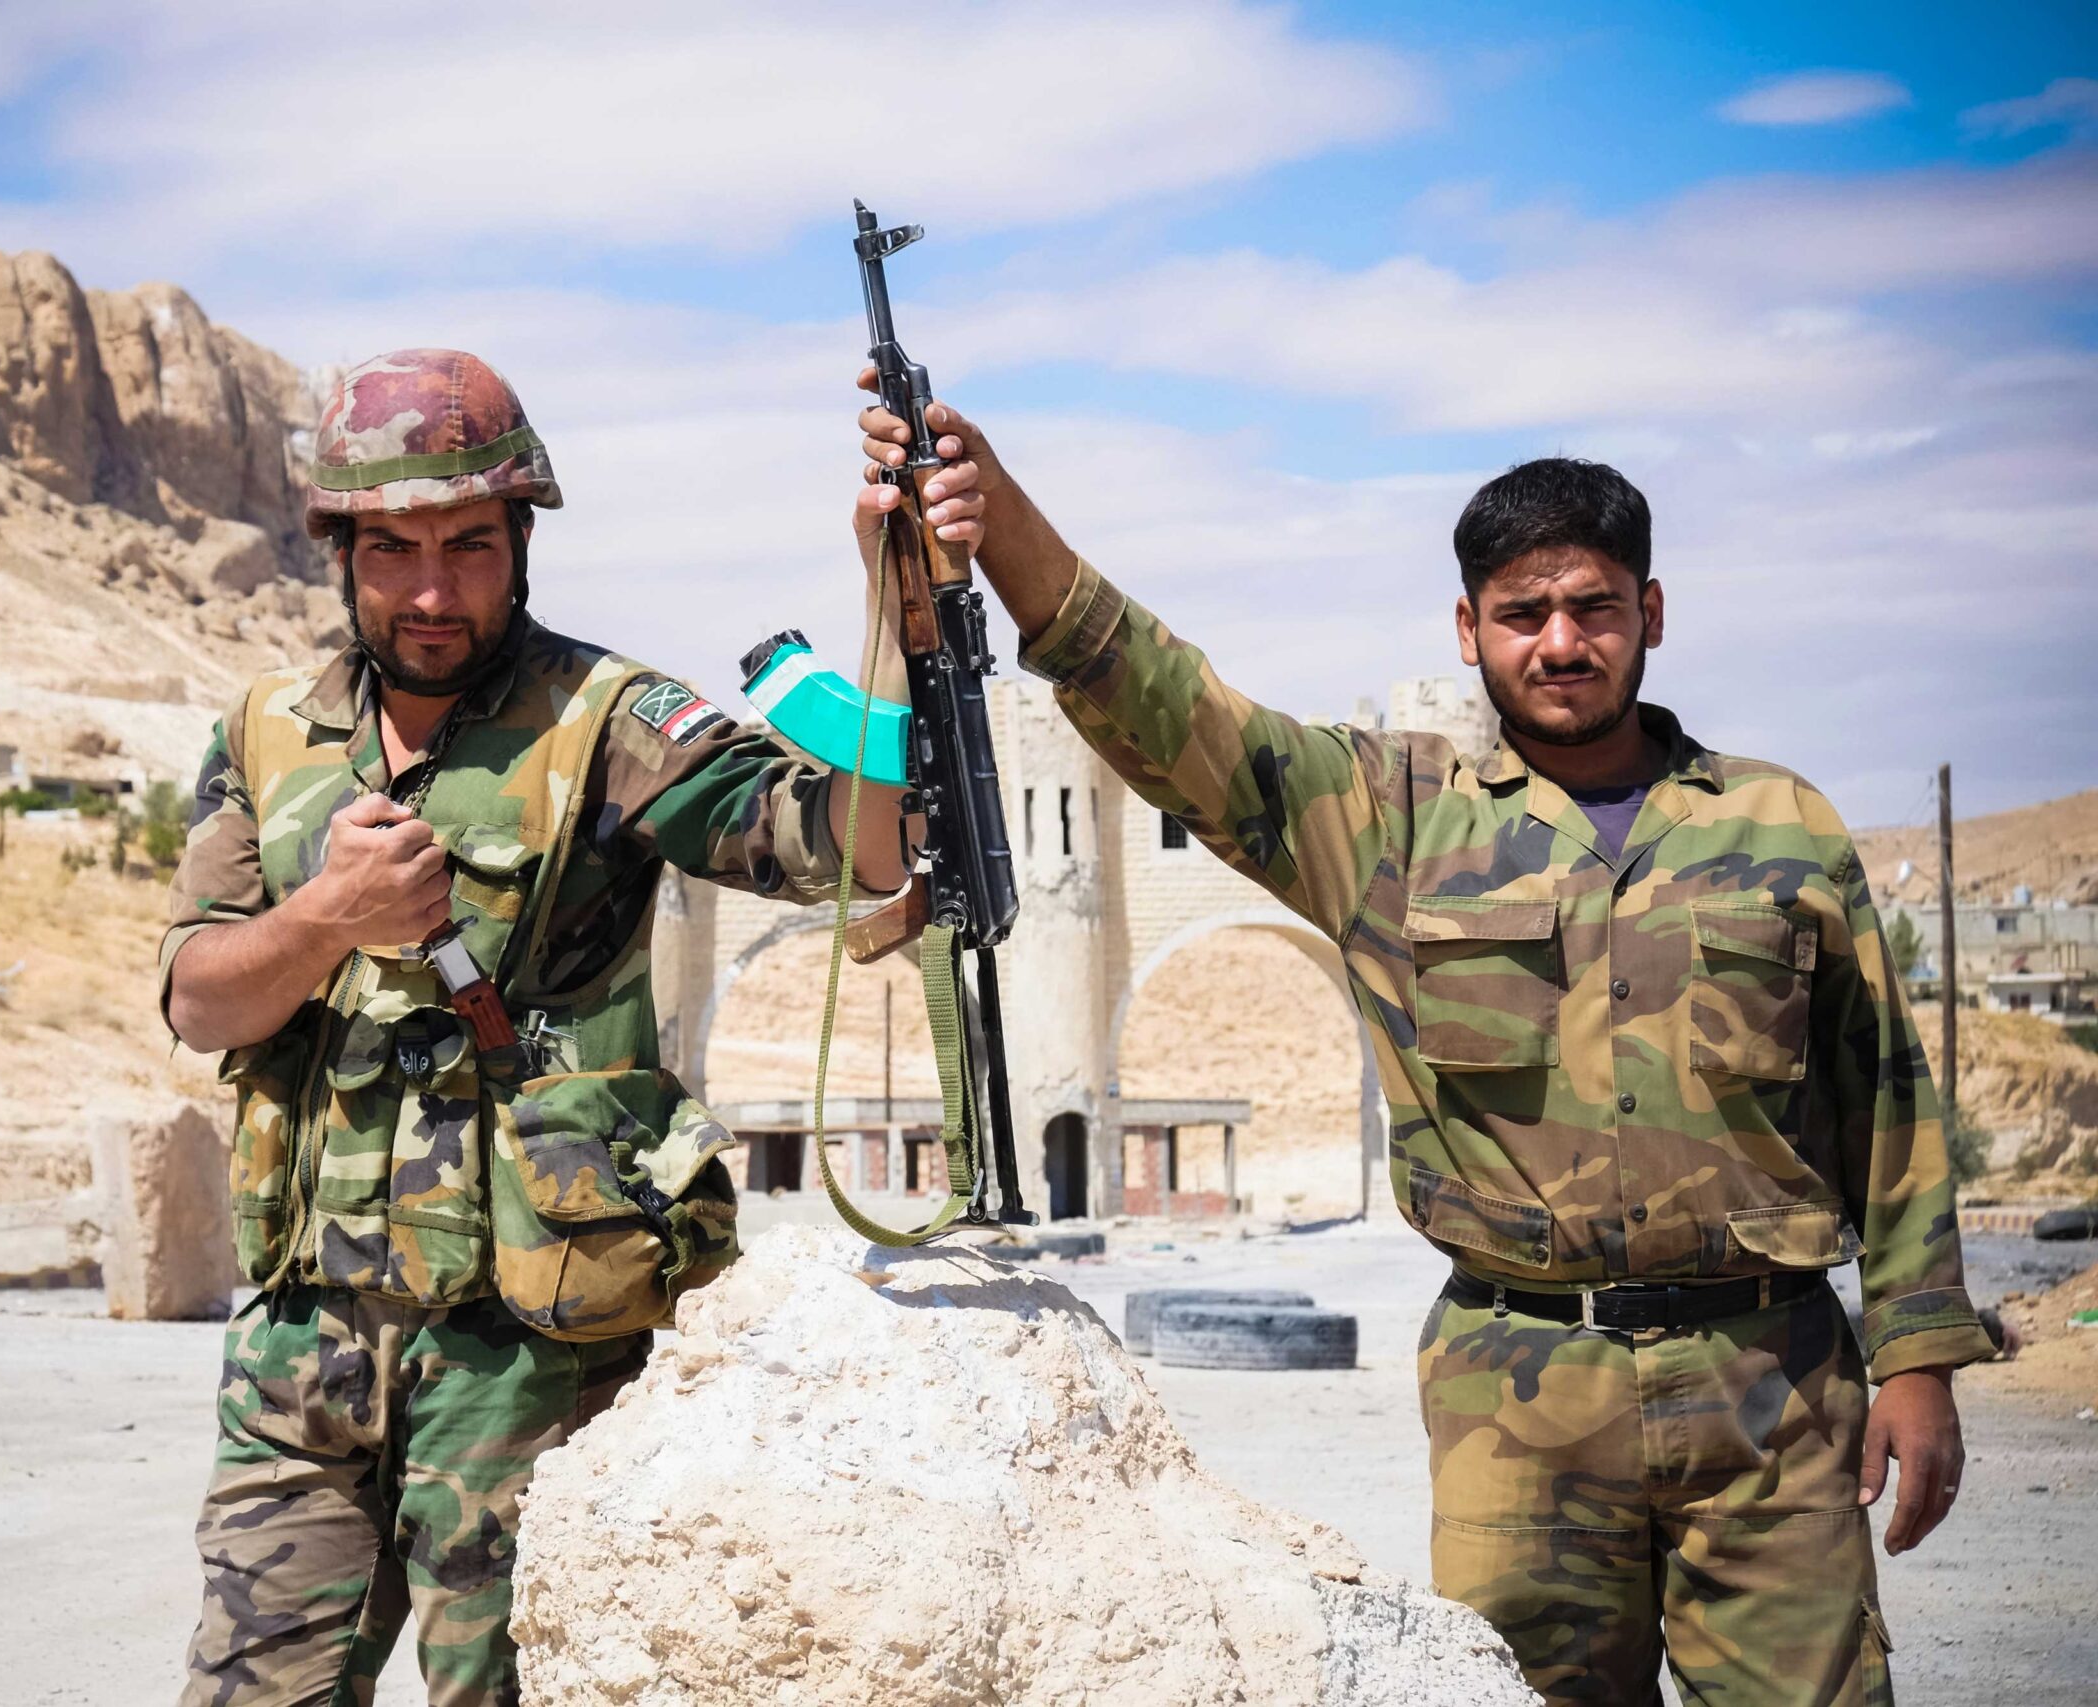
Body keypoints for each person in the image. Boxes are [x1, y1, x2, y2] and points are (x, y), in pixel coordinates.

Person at [854, 382, 1991, 1706]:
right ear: (1471, 631)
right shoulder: (1389, 820)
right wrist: (997, 523)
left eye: (1595, 608)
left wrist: (1917, 1359)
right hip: (1521, 1404)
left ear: (1651, 615)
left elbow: (1888, 1109)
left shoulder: (1780, 827)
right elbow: (1168, 706)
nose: (1561, 644)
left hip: (1775, 1395)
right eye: (1524, 614)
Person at [160, 348, 911, 1707]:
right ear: (339, 549)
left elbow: (843, 845)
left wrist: (894, 611)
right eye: (392, 550)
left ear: (521, 540)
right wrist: (327, 914)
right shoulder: (264, 735)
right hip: (300, 1351)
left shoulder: (608, 723)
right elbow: (199, 997)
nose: (433, 592)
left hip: (525, 1358)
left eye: (468, 547)